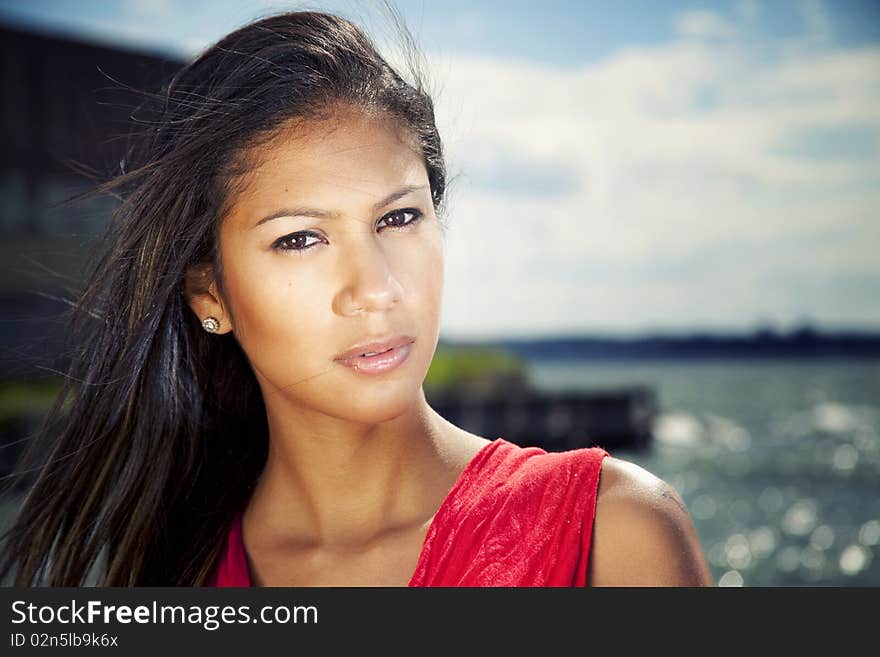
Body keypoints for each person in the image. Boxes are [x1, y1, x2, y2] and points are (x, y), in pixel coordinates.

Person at [0, 10, 713, 587]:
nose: (375, 287)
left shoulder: (612, 536)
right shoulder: (173, 578)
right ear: (209, 292)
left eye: (398, 218)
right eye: (300, 238)